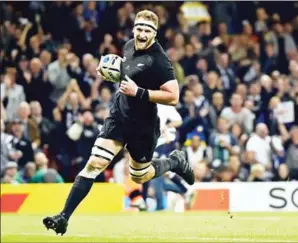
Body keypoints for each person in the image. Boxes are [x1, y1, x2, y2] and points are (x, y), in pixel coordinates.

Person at [43, 10, 194, 235]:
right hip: (119, 117)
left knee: (139, 175)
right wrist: (109, 71)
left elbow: (173, 96)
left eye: (147, 30)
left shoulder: (159, 60)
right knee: (94, 164)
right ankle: (64, 216)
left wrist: (139, 92)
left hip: (143, 126)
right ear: (134, 29)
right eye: (139, 29)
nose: (142, 34)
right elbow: (126, 70)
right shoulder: (129, 46)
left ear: (154, 33)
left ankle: (175, 161)